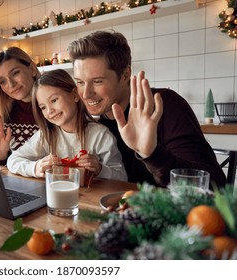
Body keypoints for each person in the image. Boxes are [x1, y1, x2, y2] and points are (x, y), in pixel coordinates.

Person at [67, 30, 226, 188]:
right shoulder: (97, 128)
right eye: (80, 82)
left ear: (125, 75)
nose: (86, 94)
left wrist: (152, 154)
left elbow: (215, 183)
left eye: (97, 81)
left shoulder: (165, 105)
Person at [7, 69, 127, 182]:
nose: (50, 111)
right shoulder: (46, 135)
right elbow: (13, 161)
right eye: (43, 107)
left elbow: (121, 177)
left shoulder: (100, 135)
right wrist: (36, 167)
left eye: (54, 100)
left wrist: (100, 169)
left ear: (75, 95)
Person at [0, 47, 41, 165]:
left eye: (15, 73)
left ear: (32, 69)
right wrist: (0, 156)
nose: (11, 84)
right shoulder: (4, 115)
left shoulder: (54, 109)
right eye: (2, 81)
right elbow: (8, 167)